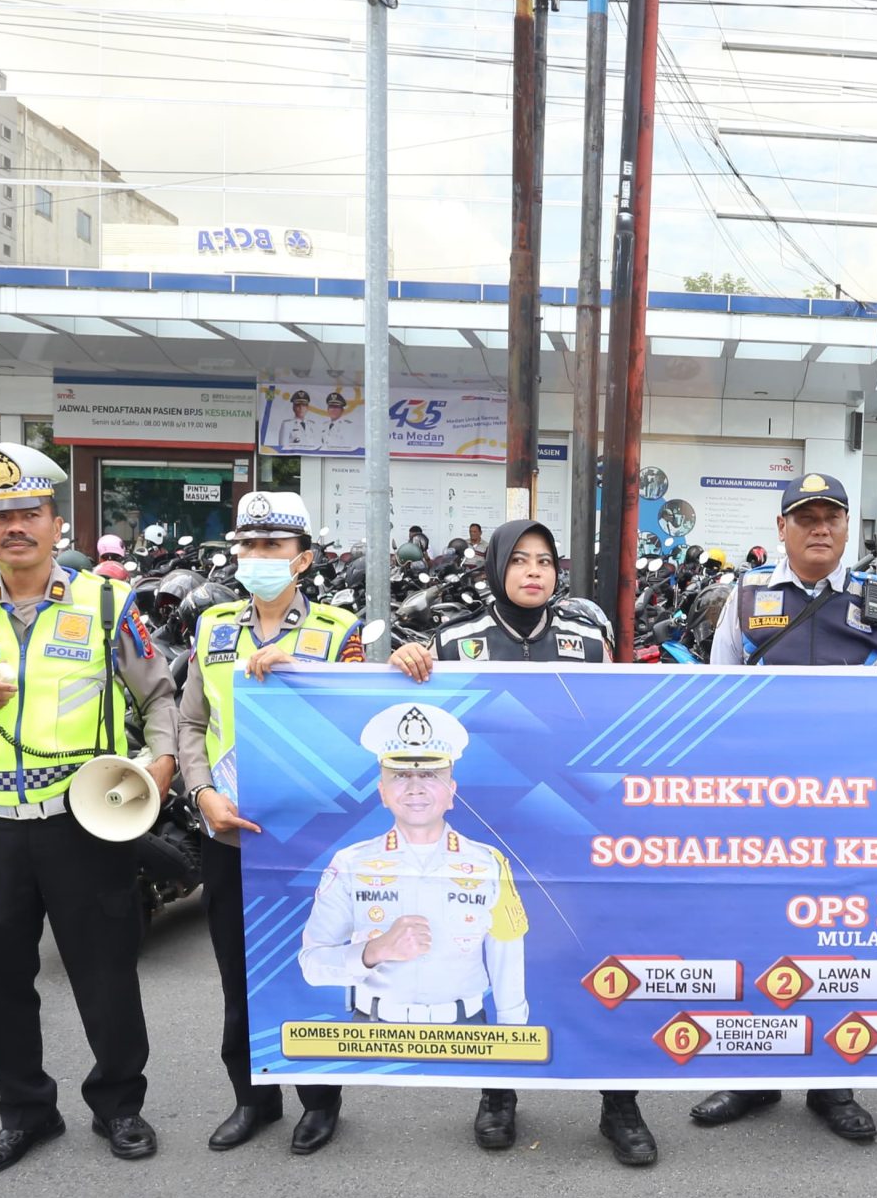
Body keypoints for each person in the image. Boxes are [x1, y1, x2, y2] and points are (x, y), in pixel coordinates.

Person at [0, 444, 179, 1176]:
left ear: (57, 523)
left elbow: (159, 696)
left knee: (105, 973)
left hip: (85, 821)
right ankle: (25, 1112)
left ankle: (119, 1105)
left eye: (29, 513)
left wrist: (158, 765)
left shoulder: (105, 602)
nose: (15, 527)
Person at [389, 519, 655, 1163]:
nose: (534, 572)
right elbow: (404, 716)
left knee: (597, 960)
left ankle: (619, 1102)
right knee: (495, 960)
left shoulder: (589, 641)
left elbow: (613, 732)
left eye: (546, 561)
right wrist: (402, 665)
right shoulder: (455, 640)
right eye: (521, 561)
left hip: (577, 836)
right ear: (497, 569)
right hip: (488, 837)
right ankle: (498, 1093)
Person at [693, 473, 877, 1143]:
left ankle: (833, 1082)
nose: (820, 528)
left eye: (832, 517)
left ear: (848, 529)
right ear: (782, 528)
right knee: (761, 933)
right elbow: (717, 695)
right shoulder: (747, 594)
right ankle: (755, 1074)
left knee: (838, 941)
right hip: (766, 807)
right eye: (806, 517)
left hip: (848, 809)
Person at [180, 490, 363, 1156]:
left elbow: (362, 725)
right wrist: (200, 793)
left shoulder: (339, 631)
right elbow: (191, 723)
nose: (258, 558)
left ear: (303, 559)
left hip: (312, 839)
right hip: (229, 832)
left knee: (309, 966)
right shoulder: (213, 627)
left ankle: (320, 1101)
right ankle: (252, 1097)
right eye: (249, 546)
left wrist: (304, 672)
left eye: (273, 547)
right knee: (239, 974)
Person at [296, 702, 537, 1130]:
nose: (415, 787)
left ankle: (495, 1099)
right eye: (400, 775)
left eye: (429, 774)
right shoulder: (350, 863)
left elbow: (506, 958)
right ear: (382, 790)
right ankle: (321, 1109)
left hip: (468, 1029)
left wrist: (512, 1048)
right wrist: (375, 950)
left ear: (452, 789)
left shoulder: (488, 862)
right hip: (372, 1030)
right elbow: (312, 966)